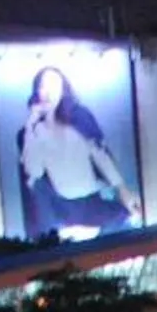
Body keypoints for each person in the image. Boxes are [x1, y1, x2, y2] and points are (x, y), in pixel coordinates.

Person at [18, 65, 141, 236]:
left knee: (130, 219)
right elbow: (34, 173)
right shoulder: (33, 132)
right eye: (43, 85)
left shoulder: (80, 117)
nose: (48, 91)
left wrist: (121, 189)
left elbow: (101, 155)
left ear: (63, 89)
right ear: (37, 91)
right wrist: (31, 123)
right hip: (61, 207)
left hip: (92, 200)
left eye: (54, 85)